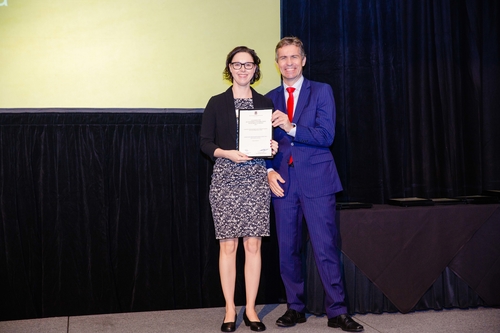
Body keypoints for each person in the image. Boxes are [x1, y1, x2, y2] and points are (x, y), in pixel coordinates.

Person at [265, 37, 364, 332]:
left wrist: (290, 126)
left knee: (326, 248)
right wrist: (268, 170)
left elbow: (326, 136)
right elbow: (259, 145)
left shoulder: (321, 91)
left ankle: (337, 311)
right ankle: (295, 308)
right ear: (277, 63)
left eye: (294, 57)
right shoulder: (267, 98)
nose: (289, 62)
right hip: (283, 182)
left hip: (318, 181)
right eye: (283, 58)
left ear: (304, 60)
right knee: (287, 250)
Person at [200, 46, 278, 332]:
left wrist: (273, 147)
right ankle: (231, 309)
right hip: (225, 178)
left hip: (255, 179)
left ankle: (252, 309)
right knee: (229, 245)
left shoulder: (265, 103)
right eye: (237, 64)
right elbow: (204, 143)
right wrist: (226, 152)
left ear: (256, 68)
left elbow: (268, 145)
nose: (243, 69)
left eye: (248, 64)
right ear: (229, 68)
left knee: (253, 245)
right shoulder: (216, 102)